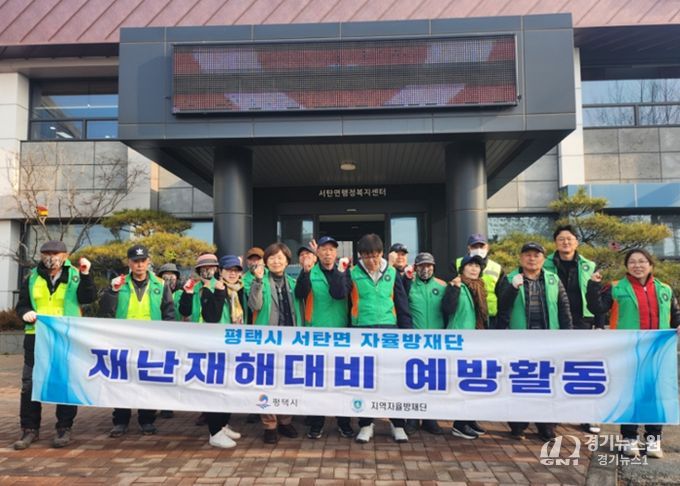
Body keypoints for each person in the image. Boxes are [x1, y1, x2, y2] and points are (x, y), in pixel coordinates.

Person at [586, 248, 680, 459]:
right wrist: (593, 286)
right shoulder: (616, 288)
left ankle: (654, 440)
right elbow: (597, 308)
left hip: (657, 353)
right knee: (629, 395)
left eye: (642, 261)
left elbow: (675, 315)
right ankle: (629, 439)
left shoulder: (664, 289)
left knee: (655, 395)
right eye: (632, 262)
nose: (637, 265)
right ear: (627, 266)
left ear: (650, 264)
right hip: (628, 351)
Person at [13, 241, 96, 450]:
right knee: (30, 383)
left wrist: (86, 275)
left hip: (66, 336)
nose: (51, 257)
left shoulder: (76, 275)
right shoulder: (32, 277)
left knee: (65, 381)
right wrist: (25, 313)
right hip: (36, 336)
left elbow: (88, 298)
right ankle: (29, 429)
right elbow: (22, 305)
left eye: (56, 253)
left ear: (65, 256)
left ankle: (64, 428)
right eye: (47, 253)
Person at [99, 244, 176, 438]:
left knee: (147, 380)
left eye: (143, 261)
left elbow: (169, 312)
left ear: (148, 262)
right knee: (121, 380)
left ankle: (147, 420)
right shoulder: (119, 283)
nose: (139, 265)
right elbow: (105, 310)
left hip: (151, 342)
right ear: (129, 263)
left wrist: (167, 339)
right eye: (135, 261)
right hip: (122, 341)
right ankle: (120, 421)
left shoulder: (160, 284)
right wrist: (112, 291)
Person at [497, 242, 573, 441]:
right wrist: (513, 289)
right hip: (519, 341)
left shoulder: (553, 279)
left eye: (536, 255)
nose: (532, 258)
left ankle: (546, 425)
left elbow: (564, 308)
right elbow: (501, 307)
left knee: (547, 383)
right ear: (521, 258)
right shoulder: (510, 279)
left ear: (543, 259)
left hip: (548, 341)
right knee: (520, 381)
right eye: (527, 255)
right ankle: (518, 424)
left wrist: (569, 336)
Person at [350, 233, 413, 443]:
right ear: (360, 256)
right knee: (365, 379)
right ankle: (366, 424)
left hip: (389, 330)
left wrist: (407, 334)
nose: (372, 261)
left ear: (382, 254)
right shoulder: (352, 274)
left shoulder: (393, 273)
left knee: (392, 378)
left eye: (375, 256)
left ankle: (398, 424)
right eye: (367, 256)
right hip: (362, 330)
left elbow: (402, 305)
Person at [542, 225, 604, 434]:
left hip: (582, 322)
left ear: (576, 242)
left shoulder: (589, 265)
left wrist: (599, 323)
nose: (565, 242)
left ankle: (588, 416)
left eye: (569, 238)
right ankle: (553, 415)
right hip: (554, 322)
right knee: (554, 369)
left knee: (584, 370)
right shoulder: (545, 263)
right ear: (555, 242)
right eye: (561, 239)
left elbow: (597, 296)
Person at [295, 236, 354, 439]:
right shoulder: (310, 272)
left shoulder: (344, 272)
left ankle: (343, 422)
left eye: (331, 249)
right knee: (317, 382)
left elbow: (339, 294)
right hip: (316, 334)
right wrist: (305, 271)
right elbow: (299, 293)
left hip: (340, 334)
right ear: (317, 252)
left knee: (341, 382)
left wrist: (339, 272)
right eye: (324, 249)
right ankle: (316, 423)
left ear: (336, 253)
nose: (328, 253)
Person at [248, 242, 301, 443]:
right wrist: (258, 281)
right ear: (266, 262)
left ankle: (285, 421)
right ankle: (269, 424)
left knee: (288, 381)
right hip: (267, 341)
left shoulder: (293, 283)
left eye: (280, 258)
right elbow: (255, 305)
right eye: (272, 258)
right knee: (267, 382)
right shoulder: (259, 281)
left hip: (290, 341)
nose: (276, 261)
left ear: (287, 262)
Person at [193, 255, 245, 448]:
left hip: (233, 346)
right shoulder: (209, 288)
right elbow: (212, 317)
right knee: (216, 389)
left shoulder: (238, 289)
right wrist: (219, 292)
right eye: (228, 270)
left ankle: (222, 424)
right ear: (220, 271)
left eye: (236, 270)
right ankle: (214, 431)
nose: (233, 273)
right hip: (214, 347)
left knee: (229, 387)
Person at [442, 254, 489, 440]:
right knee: (462, 383)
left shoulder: (480, 288)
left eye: (477, 266)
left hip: (476, 341)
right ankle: (459, 424)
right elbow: (447, 309)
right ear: (462, 269)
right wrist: (453, 289)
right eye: (470, 265)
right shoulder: (457, 286)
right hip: (459, 342)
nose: (474, 269)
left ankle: (469, 419)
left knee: (473, 382)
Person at [402, 252, 445, 435]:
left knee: (432, 382)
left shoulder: (442, 286)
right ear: (416, 267)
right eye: (422, 266)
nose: (426, 269)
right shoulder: (409, 285)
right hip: (414, 342)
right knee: (414, 382)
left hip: (436, 342)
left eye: (429, 266)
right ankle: (412, 420)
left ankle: (430, 419)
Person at [453, 234, 506, 329]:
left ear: (487, 248)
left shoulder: (497, 268)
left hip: (490, 320)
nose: (478, 249)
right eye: (475, 246)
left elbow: (503, 297)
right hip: (463, 318)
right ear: (469, 248)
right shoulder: (456, 263)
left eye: (481, 246)